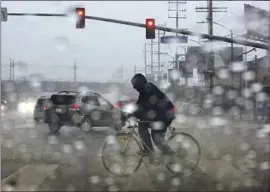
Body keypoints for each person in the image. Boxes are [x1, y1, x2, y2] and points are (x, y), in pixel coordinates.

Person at [129, 73, 176, 156]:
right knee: (143, 126)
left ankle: (169, 154)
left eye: (135, 85)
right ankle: (151, 150)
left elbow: (145, 106)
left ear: (139, 83)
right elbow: (139, 104)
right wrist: (131, 114)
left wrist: (134, 115)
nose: (134, 87)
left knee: (155, 135)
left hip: (165, 115)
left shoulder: (149, 89)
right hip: (160, 115)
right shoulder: (145, 90)